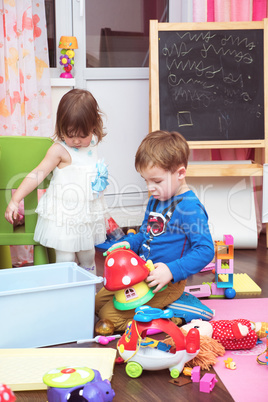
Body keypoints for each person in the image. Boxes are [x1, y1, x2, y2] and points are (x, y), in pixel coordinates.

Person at [95, 130, 215, 331]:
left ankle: (176, 312)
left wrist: (171, 270)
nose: (150, 188)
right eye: (146, 181)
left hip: (165, 282)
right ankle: (164, 307)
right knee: (97, 303)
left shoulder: (190, 208)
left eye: (157, 181)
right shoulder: (156, 199)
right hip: (142, 273)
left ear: (180, 173)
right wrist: (128, 243)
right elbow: (145, 234)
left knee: (108, 318)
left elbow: (205, 250)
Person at [5, 89, 108, 274]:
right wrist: (16, 199)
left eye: (82, 135)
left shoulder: (92, 143)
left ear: (93, 127)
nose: (76, 140)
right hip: (64, 216)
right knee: (66, 257)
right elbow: (36, 175)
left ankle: (88, 291)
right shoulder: (59, 150)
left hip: (85, 215)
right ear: (61, 127)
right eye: (70, 134)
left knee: (88, 253)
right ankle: (64, 290)